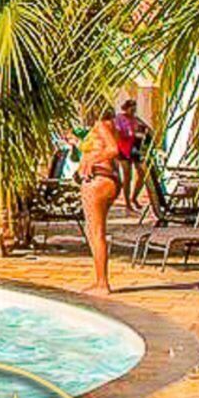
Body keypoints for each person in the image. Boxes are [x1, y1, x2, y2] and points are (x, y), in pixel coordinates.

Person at [77, 108, 123, 295]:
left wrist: (91, 161)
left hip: (98, 181)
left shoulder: (101, 125)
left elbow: (113, 149)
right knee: (94, 231)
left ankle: (102, 283)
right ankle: (100, 280)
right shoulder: (112, 127)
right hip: (107, 180)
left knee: (96, 232)